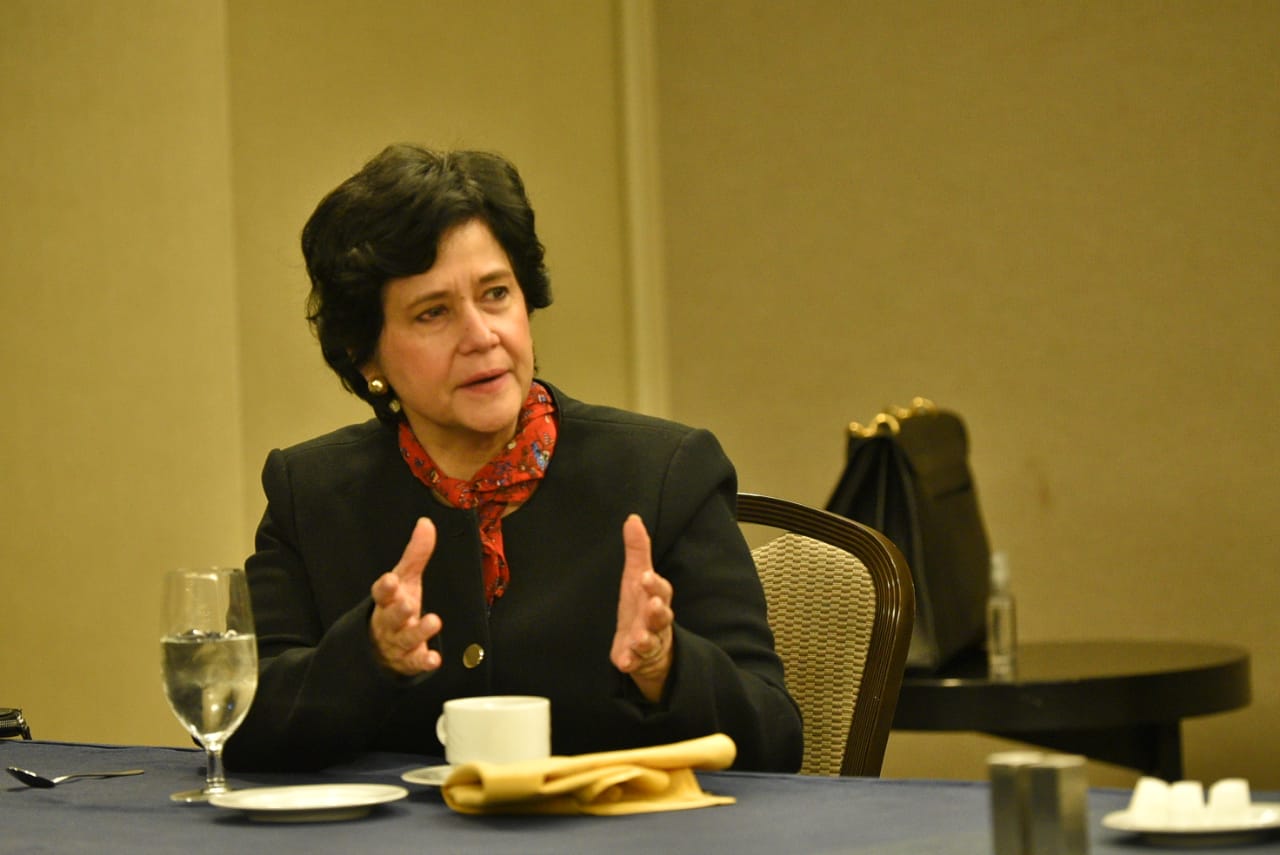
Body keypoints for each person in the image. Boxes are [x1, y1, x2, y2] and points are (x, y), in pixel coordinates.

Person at [223, 144, 803, 773]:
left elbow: (775, 739)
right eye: (433, 313)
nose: (481, 336)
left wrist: (668, 667)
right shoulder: (310, 492)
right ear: (366, 357)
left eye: (496, 294)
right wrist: (368, 657)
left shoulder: (667, 472)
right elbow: (238, 724)